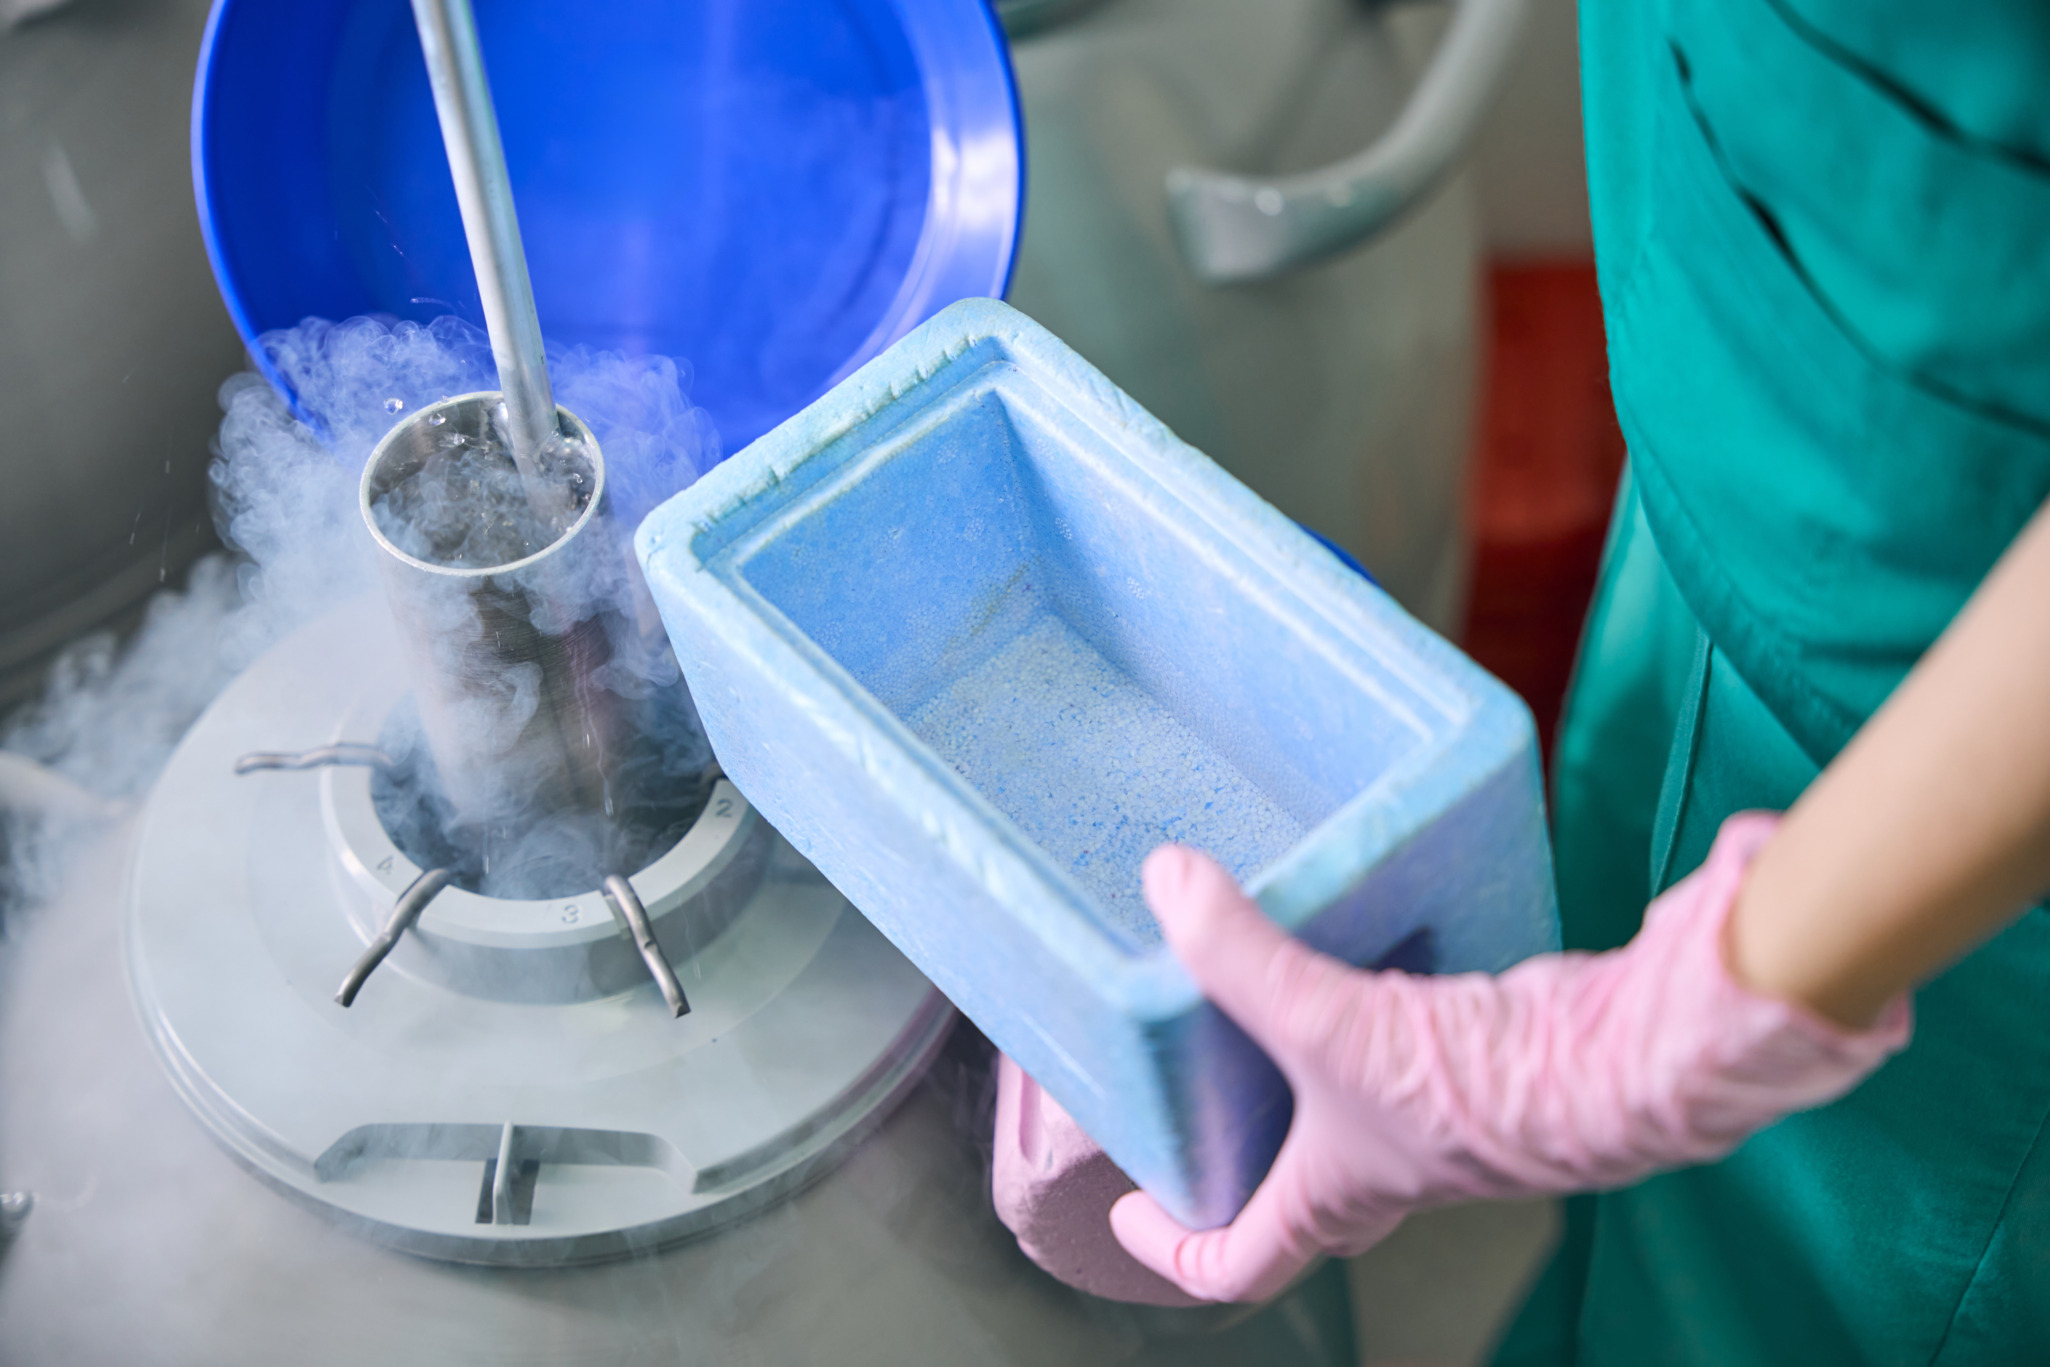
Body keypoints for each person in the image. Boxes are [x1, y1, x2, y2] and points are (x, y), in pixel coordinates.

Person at [998, 2, 2050, 1360]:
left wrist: (1631, 1048)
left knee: (1797, 1297)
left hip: (1978, 818)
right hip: (1758, 441)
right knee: (1639, 1191)